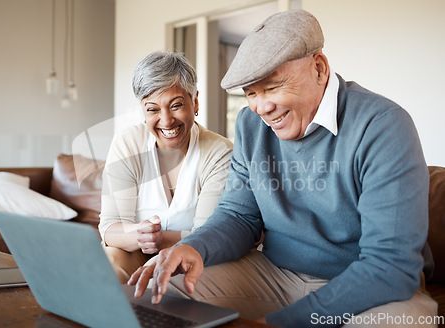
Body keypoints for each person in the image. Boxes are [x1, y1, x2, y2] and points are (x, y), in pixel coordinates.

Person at [128, 9, 438, 328]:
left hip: (371, 289)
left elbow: (389, 268)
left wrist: (279, 323)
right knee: (150, 297)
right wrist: (193, 247)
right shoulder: (251, 125)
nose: (262, 108)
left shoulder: (381, 126)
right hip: (274, 276)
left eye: (273, 88)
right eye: (251, 94)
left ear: (319, 68)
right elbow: (238, 215)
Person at [99, 51, 233, 284]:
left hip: (193, 259)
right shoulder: (127, 143)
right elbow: (109, 228)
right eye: (153, 109)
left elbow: (205, 237)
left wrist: (156, 238)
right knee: (111, 260)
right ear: (143, 110)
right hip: (136, 255)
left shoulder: (219, 152)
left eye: (176, 105)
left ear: (195, 101)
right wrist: (139, 237)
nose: (167, 120)